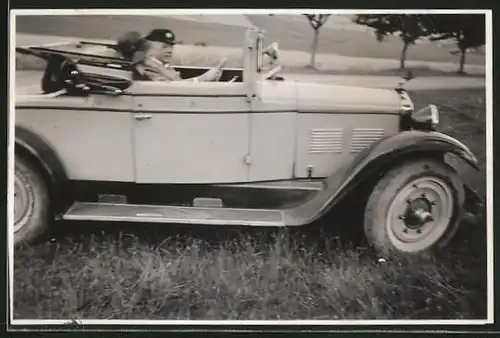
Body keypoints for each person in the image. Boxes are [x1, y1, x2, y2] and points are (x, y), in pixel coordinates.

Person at [129, 29, 226, 82]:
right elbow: (168, 90)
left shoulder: (161, 65)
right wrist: (202, 79)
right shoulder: (146, 67)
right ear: (151, 46)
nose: (170, 51)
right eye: (165, 47)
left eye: (171, 47)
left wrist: (209, 79)